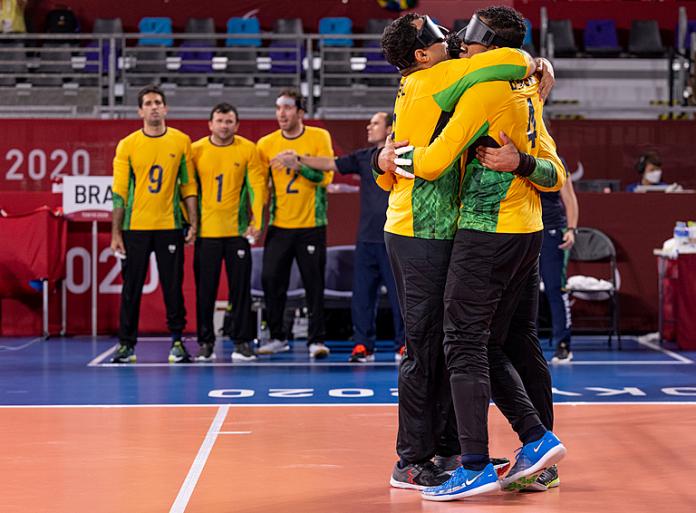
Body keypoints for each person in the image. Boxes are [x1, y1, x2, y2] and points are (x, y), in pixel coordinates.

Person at [377, 7, 568, 500]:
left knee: (471, 342)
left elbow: (554, 170)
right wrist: (389, 159)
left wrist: (520, 156)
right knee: (432, 345)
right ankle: (415, 460)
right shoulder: (442, 78)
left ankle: (468, 452)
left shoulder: (467, 83)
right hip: (422, 229)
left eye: (462, 33)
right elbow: (508, 62)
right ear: (423, 54)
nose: (454, 36)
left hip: (466, 230)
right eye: (439, 33)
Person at [273, 112, 406, 363]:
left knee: (401, 296)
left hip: (395, 237)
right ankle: (363, 346)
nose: (369, 126)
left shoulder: (404, 156)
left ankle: (404, 345)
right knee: (363, 296)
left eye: (375, 123)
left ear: (390, 128)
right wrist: (299, 159)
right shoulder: (364, 157)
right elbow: (331, 163)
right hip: (366, 239)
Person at [110, 84, 198, 364]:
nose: (154, 107)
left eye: (158, 102)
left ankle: (177, 342)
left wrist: (193, 222)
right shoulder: (127, 144)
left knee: (173, 287)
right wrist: (116, 232)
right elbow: (120, 192)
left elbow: (188, 184)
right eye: (148, 103)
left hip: (169, 225)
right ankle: (126, 346)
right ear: (140, 111)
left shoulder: (180, 140)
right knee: (131, 287)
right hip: (135, 227)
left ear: (166, 108)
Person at [255, 89, 334, 359]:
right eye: (278, 108)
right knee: (271, 280)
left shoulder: (318, 136)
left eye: (288, 108)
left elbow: (326, 179)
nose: (282, 113)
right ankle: (278, 335)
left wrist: (298, 164)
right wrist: (255, 219)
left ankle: (316, 339)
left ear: (300, 112)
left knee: (314, 283)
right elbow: (261, 188)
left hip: (312, 223)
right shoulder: (265, 144)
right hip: (279, 225)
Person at [192, 103, 267, 363]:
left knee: (241, 290)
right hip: (206, 233)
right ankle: (205, 343)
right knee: (205, 291)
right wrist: (189, 223)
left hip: (237, 233)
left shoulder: (247, 149)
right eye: (220, 121)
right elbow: (188, 190)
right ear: (210, 124)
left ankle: (242, 342)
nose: (224, 126)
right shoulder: (196, 150)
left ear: (237, 125)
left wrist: (256, 222)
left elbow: (257, 188)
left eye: (229, 121)